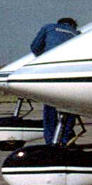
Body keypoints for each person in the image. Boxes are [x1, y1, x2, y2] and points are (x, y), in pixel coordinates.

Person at [30, 17, 79, 145]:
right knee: (71, 107)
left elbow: (35, 47)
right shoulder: (77, 34)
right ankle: (66, 137)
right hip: (72, 74)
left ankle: (51, 140)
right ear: (73, 26)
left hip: (52, 72)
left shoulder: (48, 27)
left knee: (50, 106)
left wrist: (45, 58)